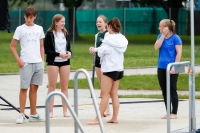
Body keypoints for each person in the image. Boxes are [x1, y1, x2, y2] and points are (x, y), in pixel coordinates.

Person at [87, 17, 128, 124]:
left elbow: (102, 52)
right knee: (114, 94)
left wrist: (94, 50)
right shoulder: (122, 38)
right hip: (119, 69)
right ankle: (114, 117)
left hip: (109, 69)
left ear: (109, 26)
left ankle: (97, 118)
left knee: (104, 95)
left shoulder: (108, 38)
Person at [9, 7, 45, 124]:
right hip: (26, 62)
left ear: (34, 17)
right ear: (24, 16)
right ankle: (21, 114)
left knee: (34, 88)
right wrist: (19, 60)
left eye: (31, 17)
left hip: (38, 62)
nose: (29, 20)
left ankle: (33, 113)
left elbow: (41, 46)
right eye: (27, 17)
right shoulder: (20, 29)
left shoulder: (39, 28)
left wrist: (42, 60)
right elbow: (12, 46)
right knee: (24, 88)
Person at [44, 14, 72, 118]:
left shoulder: (66, 34)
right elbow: (46, 50)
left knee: (64, 86)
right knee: (52, 86)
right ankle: (50, 111)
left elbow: (69, 48)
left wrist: (69, 53)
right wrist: (58, 54)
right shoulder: (50, 34)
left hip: (65, 62)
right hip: (53, 62)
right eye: (61, 22)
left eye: (64, 22)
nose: (63, 24)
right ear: (56, 22)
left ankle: (65, 111)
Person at [154, 19, 182, 119]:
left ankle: (174, 113)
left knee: (172, 89)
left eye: (160, 26)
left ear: (166, 27)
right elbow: (156, 47)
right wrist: (163, 35)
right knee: (165, 91)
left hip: (171, 68)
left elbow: (179, 52)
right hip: (161, 67)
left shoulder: (176, 38)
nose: (159, 28)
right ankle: (168, 112)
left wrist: (175, 66)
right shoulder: (160, 36)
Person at [89, 15, 111, 116]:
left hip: (105, 62)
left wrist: (97, 50)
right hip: (98, 62)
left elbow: (105, 48)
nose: (98, 23)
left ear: (106, 24)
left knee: (105, 87)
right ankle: (105, 108)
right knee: (102, 85)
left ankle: (107, 109)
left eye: (100, 22)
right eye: (97, 22)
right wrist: (92, 49)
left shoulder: (108, 35)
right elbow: (97, 47)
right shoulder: (97, 35)